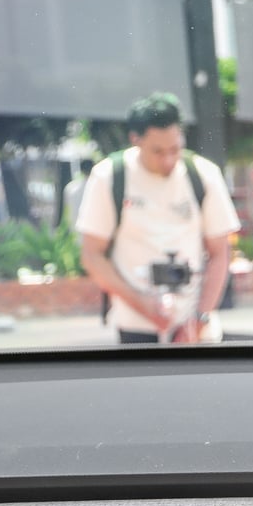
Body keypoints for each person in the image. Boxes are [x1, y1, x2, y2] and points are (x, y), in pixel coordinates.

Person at [74, 93, 238, 346]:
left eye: (175, 149)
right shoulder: (109, 176)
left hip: (196, 329)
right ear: (135, 140)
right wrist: (143, 305)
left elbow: (220, 253)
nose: (168, 160)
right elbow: (92, 255)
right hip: (136, 326)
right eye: (158, 151)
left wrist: (199, 319)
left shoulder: (203, 174)